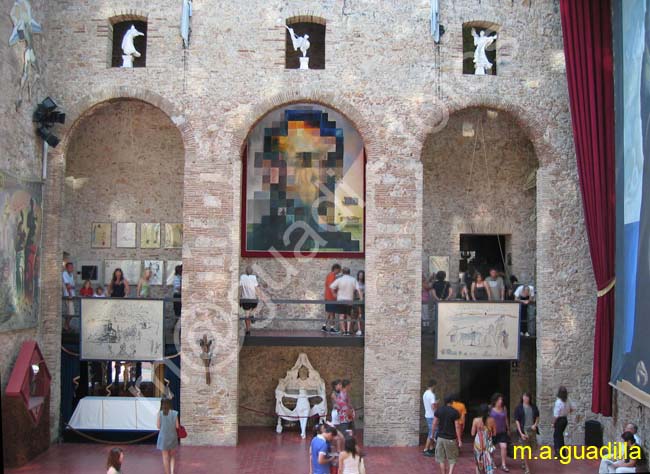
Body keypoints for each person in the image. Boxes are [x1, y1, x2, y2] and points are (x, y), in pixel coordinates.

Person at [432, 395, 462, 474]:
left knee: (441, 459)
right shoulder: (455, 412)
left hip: (440, 438)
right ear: (452, 402)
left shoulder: (439, 410)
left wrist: (432, 435)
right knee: (452, 459)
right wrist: (459, 440)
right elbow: (457, 427)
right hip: (450, 439)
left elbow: (434, 424)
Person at [514, 392, 539, 474]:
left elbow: (537, 416)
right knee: (525, 450)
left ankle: (523, 461)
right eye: (525, 397)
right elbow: (517, 421)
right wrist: (520, 433)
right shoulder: (519, 408)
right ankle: (527, 468)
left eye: (527, 397)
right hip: (524, 430)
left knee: (532, 449)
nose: (526, 398)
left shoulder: (533, 407)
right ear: (522, 398)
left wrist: (535, 425)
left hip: (532, 430)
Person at [330, 268, 358, 335]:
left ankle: (344, 331)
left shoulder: (339, 279)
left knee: (341, 316)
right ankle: (348, 331)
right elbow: (357, 289)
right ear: (349, 272)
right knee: (348, 316)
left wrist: (334, 294)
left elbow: (331, 287)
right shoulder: (353, 279)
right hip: (349, 300)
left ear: (343, 272)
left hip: (341, 300)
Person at [471, 404, 496, 474]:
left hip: (478, 444)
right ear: (488, 412)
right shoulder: (492, 420)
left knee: (478, 463)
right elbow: (494, 434)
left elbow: (472, 433)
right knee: (489, 463)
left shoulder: (475, 420)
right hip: (488, 444)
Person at [157, 398, 179, 474]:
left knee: (165, 457)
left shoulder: (160, 413)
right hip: (172, 436)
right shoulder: (175, 413)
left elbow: (158, 426)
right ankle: (172, 472)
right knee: (172, 456)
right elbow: (177, 426)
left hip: (163, 437)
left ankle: (167, 473)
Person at [489, 393, 511, 472]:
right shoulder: (490, 409)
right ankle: (492, 462)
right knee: (492, 449)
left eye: (501, 400)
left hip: (502, 431)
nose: (500, 401)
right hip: (493, 432)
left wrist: (508, 429)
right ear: (495, 401)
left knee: (504, 446)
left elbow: (506, 419)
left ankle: (503, 464)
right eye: (499, 400)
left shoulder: (504, 408)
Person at [239, 265, 262, 336]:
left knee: (246, 315)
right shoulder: (253, 278)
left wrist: (239, 298)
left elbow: (240, 288)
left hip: (245, 299)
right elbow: (256, 288)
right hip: (253, 299)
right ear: (251, 272)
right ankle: (253, 314)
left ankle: (248, 330)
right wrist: (260, 295)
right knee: (256, 307)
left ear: (246, 272)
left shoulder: (242, 277)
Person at [552, 386, 573, 456]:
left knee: (557, 436)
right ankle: (563, 453)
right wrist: (566, 412)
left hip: (559, 420)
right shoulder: (568, 400)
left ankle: (559, 453)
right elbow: (572, 409)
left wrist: (553, 423)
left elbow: (556, 415)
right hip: (565, 419)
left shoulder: (558, 402)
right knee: (560, 436)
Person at [323, 264, 342, 333]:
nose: (339, 271)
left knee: (329, 313)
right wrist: (334, 294)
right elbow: (331, 286)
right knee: (332, 313)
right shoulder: (332, 275)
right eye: (339, 270)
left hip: (328, 297)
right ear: (336, 269)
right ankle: (332, 328)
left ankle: (324, 326)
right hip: (330, 297)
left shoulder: (330, 275)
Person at [422, 379, 438, 457]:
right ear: (433, 385)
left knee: (432, 432)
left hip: (427, 414)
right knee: (432, 433)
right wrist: (437, 411)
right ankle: (426, 449)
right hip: (432, 415)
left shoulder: (425, 393)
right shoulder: (432, 395)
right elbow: (433, 406)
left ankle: (431, 448)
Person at [62, 262, 76, 331]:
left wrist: (71, 287)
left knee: (69, 313)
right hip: (68, 296)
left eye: (72, 267)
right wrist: (70, 294)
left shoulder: (71, 275)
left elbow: (73, 286)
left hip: (72, 295)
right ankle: (66, 326)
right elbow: (68, 285)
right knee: (71, 313)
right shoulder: (64, 273)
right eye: (70, 267)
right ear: (66, 268)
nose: (72, 268)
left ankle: (66, 326)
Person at [353, 270, 365, 336]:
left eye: (362, 275)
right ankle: (359, 330)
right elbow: (353, 292)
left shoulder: (365, 283)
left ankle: (362, 329)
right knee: (358, 315)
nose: (361, 276)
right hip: (357, 300)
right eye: (360, 275)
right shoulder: (356, 283)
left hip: (363, 301)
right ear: (358, 275)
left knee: (362, 315)